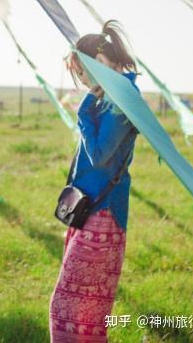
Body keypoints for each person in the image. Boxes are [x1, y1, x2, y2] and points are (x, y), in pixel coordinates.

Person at [49, 20, 141, 342]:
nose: (85, 80)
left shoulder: (122, 97)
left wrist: (84, 110)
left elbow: (100, 153)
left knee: (73, 310)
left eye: (85, 71)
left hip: (103, 215)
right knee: (79, 311)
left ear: (100, 62)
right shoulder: (113, 95)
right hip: (89, 209)